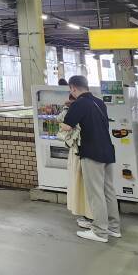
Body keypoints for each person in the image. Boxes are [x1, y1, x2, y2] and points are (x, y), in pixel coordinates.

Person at [61, 75, 120, 243]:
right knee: (108, 191)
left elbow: (66, 126)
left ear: (73, 88)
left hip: (92, 152)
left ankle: (100, 232)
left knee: (96, 194)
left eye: (70, 89)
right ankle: (114, 228)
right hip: (107, 151)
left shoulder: (79, 104)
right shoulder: (99, 102)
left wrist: (62, 116)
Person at [57, 90, 91, 224]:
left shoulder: (75, 110)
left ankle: (89, 216)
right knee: (84, 185)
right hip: (82, 151)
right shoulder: (93, 105)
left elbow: (63, 124)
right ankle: (88, 215)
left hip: (78, 152)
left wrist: (67, 108)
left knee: (81, 184)